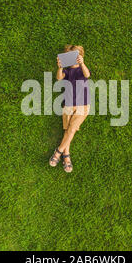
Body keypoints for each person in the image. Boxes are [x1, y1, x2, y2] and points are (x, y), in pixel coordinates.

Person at [49, 45, 91, 173]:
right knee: (68, 130)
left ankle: (59, 152)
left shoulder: (82, 69)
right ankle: (67, 156)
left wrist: (82, 64)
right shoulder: (67, 71)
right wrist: (60, 67)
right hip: (68, 104)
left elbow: (87, 74)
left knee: (72, 129)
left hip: (82, 105)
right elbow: (58, 77)